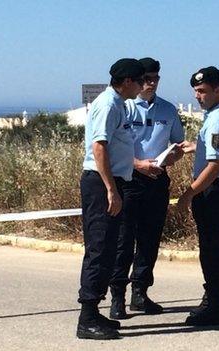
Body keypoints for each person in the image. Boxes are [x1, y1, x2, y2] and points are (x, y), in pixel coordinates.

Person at [109, 57, 185, 319]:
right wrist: (138, 164)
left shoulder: (168, 110)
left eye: (155, 79)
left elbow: (178, 144)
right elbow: (109, 149)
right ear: (138, 80)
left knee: (150, 238)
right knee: (123, 240)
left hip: (157, 180)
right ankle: (117, 295)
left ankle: (140, 292)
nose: (151, 83)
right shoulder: (124, 107)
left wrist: (172, 157)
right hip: (130, 179)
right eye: (147, 79)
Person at [76, 58, 145, 340]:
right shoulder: (108, 104)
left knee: (109, 249)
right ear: (128, 81)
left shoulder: (118, 104)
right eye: (140, 80)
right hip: (100, 183)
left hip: (112, 181)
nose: (143, 86)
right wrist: (110, 189)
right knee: (99, 247)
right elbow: (99, 146)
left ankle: (95, 312)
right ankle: (86, 317)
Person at [176, 66, 219, 326]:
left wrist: (188, 194)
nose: (197, 96)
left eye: (202, 91)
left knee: (212, 249)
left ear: (218, 90)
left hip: (215, 192)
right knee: (216, 247)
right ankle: (215, 299)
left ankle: (214, 304)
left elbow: (215, 166)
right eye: (195, 91)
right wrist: (196, 146)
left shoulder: (217, 119)